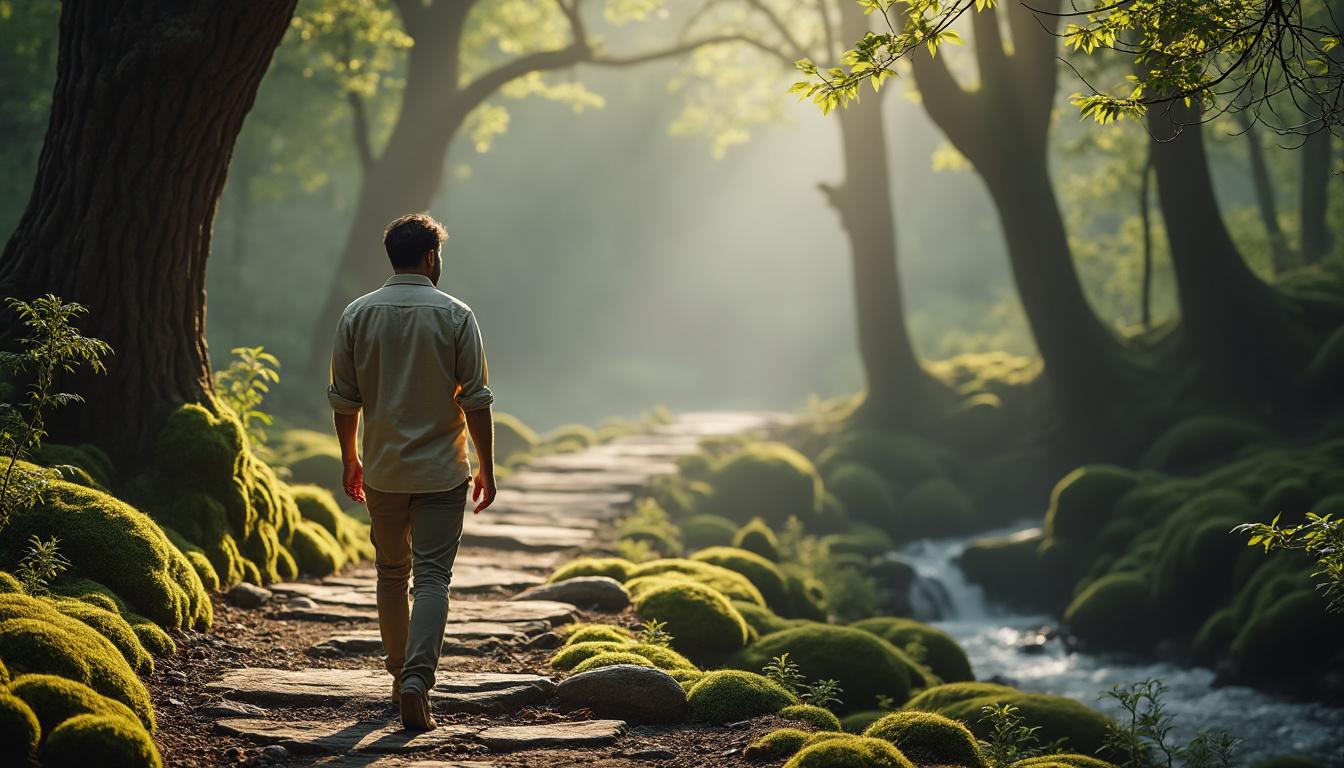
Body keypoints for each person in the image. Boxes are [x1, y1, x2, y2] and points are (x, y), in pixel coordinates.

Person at [326, 212, 497, 731]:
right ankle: (418, 682)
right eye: (439, 254)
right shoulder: (457, 316)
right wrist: (488, 464)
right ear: (430, 257)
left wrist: (350, 458)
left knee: (389, 573)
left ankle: (398, 674)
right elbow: (477, 400)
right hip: (443, 472)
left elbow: (344, 399)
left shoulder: (356, 315)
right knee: (432, 579)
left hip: (382, 471)